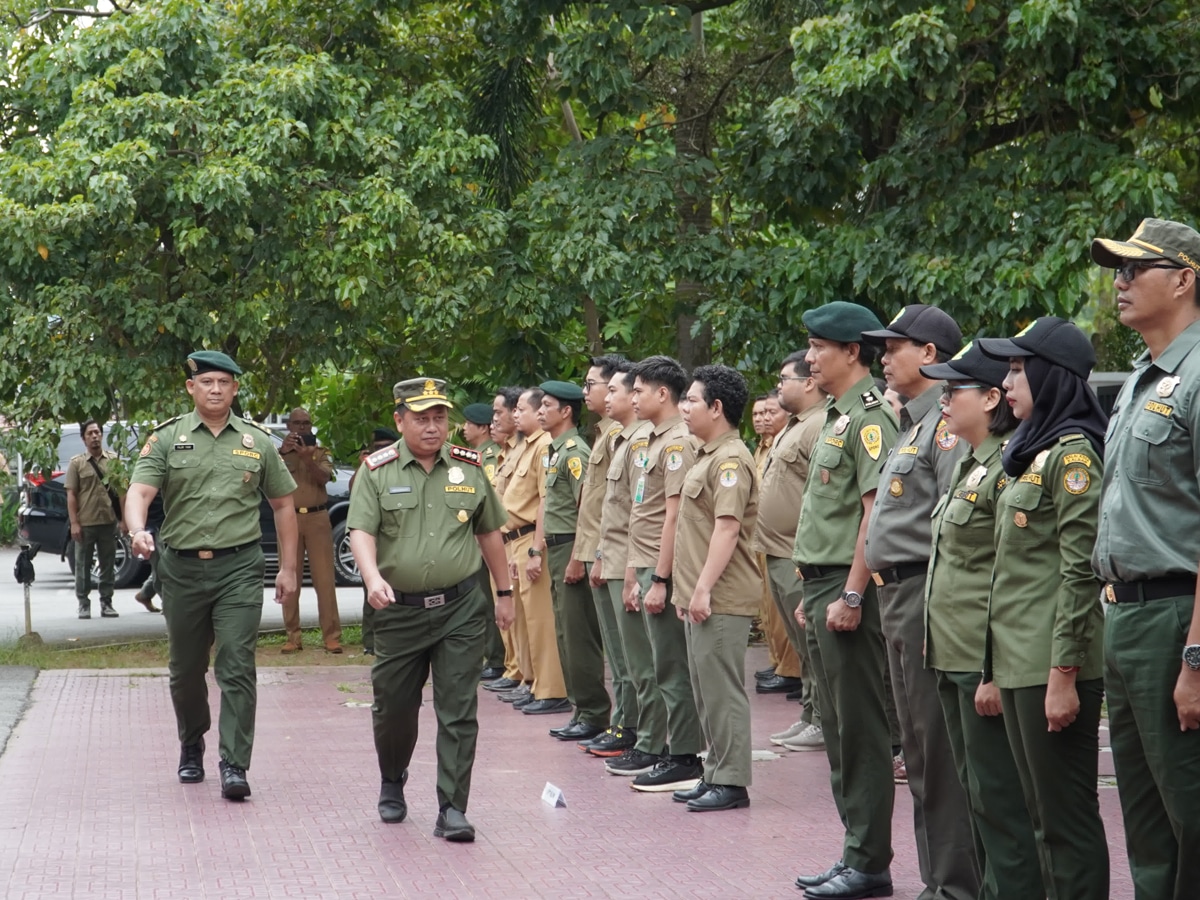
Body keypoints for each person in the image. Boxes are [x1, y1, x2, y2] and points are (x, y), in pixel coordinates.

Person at [125, 350, 300, 802]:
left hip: (239, 568)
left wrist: (286, 568)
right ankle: (191, 741)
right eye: (207, 383)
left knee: (237, 664)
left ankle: (234, 763)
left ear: (235, 389)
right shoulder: (167, 439)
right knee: (185, 671)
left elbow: (283, 506)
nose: (216, 390)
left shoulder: (257, 441)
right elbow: (140, 490)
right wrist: (138, 528)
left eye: (224, 382)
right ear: (192, 388)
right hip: (180, 569)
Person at [347, 377, 514, 843]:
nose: (433, 426)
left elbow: (489, 534)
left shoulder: (469, 467)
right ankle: (392, 778)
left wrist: (504, 595)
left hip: (460, 608)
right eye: (422, 418)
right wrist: (371, 576)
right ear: (400, 420)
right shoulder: (376, 470)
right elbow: (360, 530)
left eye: (440, 417)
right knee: (394, 709)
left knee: (458, 709)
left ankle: (453, 807)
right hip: (398, 610)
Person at [978, 317, 1109, 900]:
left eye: (1015, 368)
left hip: (1048, 662)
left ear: (1050, 376)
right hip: (1016, 659)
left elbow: (1079, 572)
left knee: (1064, 821)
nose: (1006, 382)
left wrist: (1064, 674)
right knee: (1039, 815)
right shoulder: (1030, 452)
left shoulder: (1073, 456)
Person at [1091, 217, 1200, 900]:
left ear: (1185, 278)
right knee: (1146, 818)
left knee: (1190, 809)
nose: (1120, 281)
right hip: (1125, 618)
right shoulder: (1138, 382)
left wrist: (1196, 654)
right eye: (1116, 270)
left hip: (1176, 617)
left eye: (1136, 268)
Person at [862, 305, 979, 900]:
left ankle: (955, 885)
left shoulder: (948, 424)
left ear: (929, 354)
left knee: (937, 752)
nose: (883, 358)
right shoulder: (912, 423)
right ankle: (938, 882)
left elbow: (955, 525)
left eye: (893, 347)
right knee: (918, 752)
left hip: (926, 594)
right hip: (897, 596)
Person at [920, 342, 1042, 900]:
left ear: (992, 397)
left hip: (981, 659)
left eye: (954, 391)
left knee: (1000, 802)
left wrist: (992, 669)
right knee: (975, 796)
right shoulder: (970, 465)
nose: (943, 400)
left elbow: (1008, 576)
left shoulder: (1006, 465)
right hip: (952, 653)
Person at [791, 301, 897, 900]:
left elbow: (873, 515)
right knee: (836, 727)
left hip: (847, 585)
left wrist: (853, 591)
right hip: (824, 583)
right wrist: (820, 588)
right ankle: (854, 850)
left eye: (819, 347)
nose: (810, 357)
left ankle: (869, 862)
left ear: (852, 351)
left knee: (858, 728)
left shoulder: (869, 418)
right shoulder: (835, 417)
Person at [670, 364, 759, 812]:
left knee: (723, 691)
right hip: (701, 594)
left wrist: (702, 589)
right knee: (707, 691)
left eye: (691, 400)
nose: (683, 408)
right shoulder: (707, 455)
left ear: (717, 408)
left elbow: (726, 530)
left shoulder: (730, 460)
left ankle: (732, 781)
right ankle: (715, 771)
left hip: (721, 595)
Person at [623, 355, 704, 793]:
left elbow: (674, 515)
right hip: (647, 562)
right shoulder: (654, 441)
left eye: (638, 390)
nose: (633, 397)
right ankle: (676, 747)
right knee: (659, 663)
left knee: (672, 666)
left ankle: (686, 754)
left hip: (664, 566)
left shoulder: (677, 444)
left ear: (661, 394)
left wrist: (659, 578)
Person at [593, 364, 660, 776]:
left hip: (630, 561)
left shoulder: (640, 444)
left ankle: (645, 735)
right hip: (618, 558)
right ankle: (633, 727)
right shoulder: (623, 440)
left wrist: (632, 570)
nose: (624, 397)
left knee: (641, 662)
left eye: (624, 389)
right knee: (625, 659)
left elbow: (640, 512)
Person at [757, 354, 826, 751]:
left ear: (809, 383)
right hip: (776, 550)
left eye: (785, 379)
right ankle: (809, 713)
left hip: (797, 553)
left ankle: (820, 718)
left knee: (810, 642)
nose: (779, 386)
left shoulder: (818, 425)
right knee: (801, 646)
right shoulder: (794, 426)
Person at [534, 381, 610, 742]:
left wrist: (579, 557)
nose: (539, 411)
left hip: (570, 547)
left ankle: (594, 713)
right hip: (557, 546)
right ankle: (581, 709)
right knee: (565, 632)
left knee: (578, 635)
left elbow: (586, 508)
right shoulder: (555, 450)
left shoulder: (574, 451)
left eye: (547, 405)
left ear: (566, 411)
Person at [574, 355, 639, 758]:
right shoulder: (606, 434)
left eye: (599, 385)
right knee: (618, 652)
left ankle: (629, 726)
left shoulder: (628, 437)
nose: (592, 392)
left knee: (628, 654)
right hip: (603, 551)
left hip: (617, 555)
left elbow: (631, 510)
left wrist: (601, 554)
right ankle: (625, 723)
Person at [499, 388, 568, 714]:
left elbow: (545, 502)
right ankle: (532, 681)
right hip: (514, 539)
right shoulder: (525, 447)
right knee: (524, 621)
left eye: (522, 409)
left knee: (540, 620)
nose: (516, 414)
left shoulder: (543, 448)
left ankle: (551, 689)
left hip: (530, 538)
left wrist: (535, 550)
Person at [278, 407, 342, 654]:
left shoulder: (321, 452)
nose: (302, 428)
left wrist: (308, 458)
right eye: (297, 423)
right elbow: (267, 477)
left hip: (317, 517)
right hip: (289, 520)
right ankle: (292, 637)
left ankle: (332, 637)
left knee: (324, 579)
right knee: (288, 578)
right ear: (289, 426)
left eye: (306, 423)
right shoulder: (279, 455)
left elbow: (325, 477)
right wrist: (284, 452)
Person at [751, 393, 802, 696]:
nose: (763, 418)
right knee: (770, 608)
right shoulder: (763, 448)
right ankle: (780, 661)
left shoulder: (790, 441)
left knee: (786, 610)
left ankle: (792, 669)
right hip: (764, 537)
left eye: (770, 412)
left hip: (785, 541)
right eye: (758, 414)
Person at [462, 402, 506, 681]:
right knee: (481, 600)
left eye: (468, 424)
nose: (463, 428)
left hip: (488, 537)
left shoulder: (488, 458)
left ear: (482, 428)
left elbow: (489, 501)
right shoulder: (473, 456)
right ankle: (492, 656)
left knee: (490, 601)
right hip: (474, 539)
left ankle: (497, 658)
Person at [65, 420, 123, 619]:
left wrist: (123, 520)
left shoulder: (114, 461)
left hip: (108, 522)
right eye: (90, 433)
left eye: (97, 432)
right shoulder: (77, 463)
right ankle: (83, 603)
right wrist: (74, 523)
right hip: (86, 523)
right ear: (83, 438)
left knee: (108, 564)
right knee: (82, 564)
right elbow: (71, 495)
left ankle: (107, 602)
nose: (95, 436)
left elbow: (122, 492)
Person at [350, 428, 401, 656]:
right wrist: (363, 464)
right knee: (370, 590)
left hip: (396, 540)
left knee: (397, 593)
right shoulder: (369, 469)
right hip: (372, 540)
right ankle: (370, 642)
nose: (382, 451)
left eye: (386, 446)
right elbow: (352, 489)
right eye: (377, 448)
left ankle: (392, 639)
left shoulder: (400, 467)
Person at [131, 494, 165, 613]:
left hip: (169, 526)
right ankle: (167, 603)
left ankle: (145, 594)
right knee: (160, 568)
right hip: (152, 528)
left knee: (166, 566)